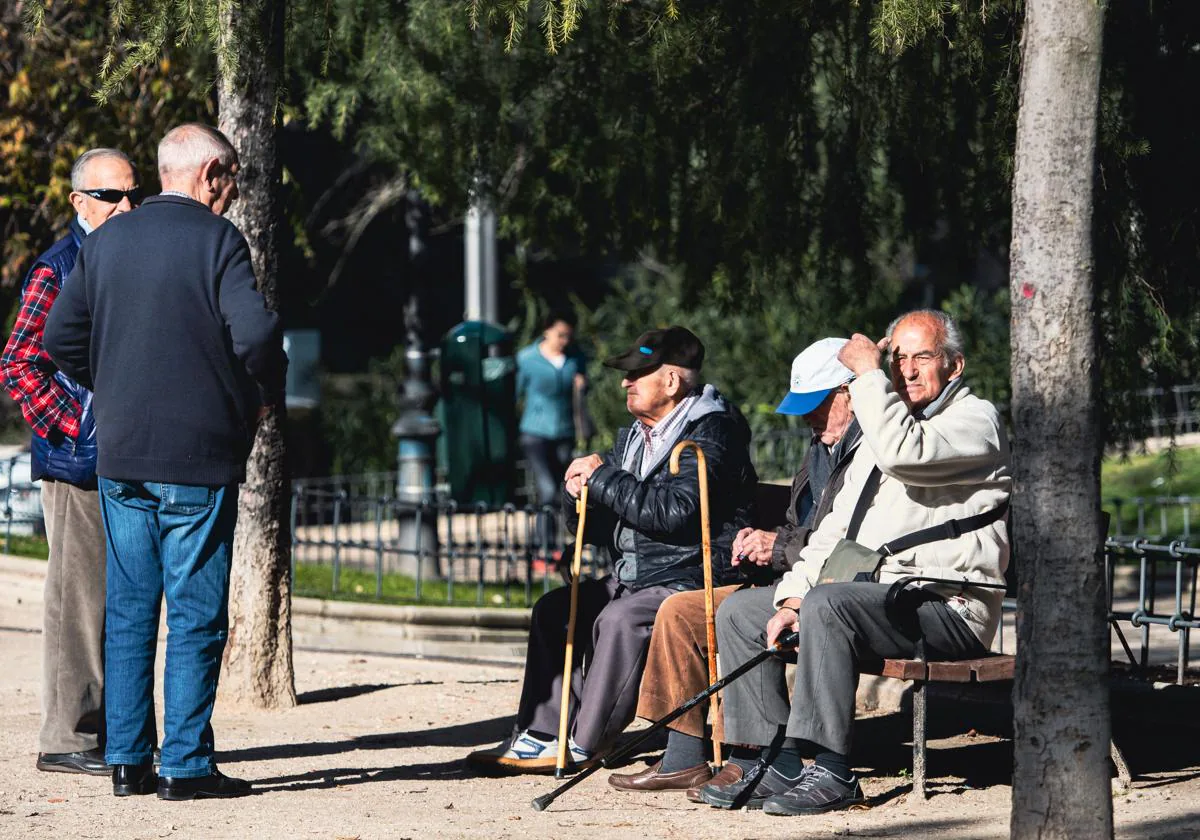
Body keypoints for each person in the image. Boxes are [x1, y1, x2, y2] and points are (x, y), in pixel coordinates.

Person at [44, 124, 286, 801]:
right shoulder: (219, 242)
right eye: (232, 176)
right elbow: (259, 333)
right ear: (211, 172)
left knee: (127, 607)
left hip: (120, 456)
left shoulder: (108, 240)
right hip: (198, 455)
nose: (235, 190)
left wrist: (113, 379)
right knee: (195, 611)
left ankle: (126, 760)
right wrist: (259, 394)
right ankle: (185, 764)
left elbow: (60, 335)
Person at [698, 310, 1011, 816]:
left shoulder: (976, 421)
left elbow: (904, 455)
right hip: (879, 601)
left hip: (947, 607)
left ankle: (832, 770)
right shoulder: (888, 432)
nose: (906, 370)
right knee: (743, 612)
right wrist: (793, 596)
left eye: (923, 357)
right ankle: (771, 756)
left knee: (830, 602)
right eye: (899, 358)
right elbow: (832, 533)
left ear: (954, 366)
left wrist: (868, 373)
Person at [467, 325, 757, 773]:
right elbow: (604, 525)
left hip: (691, 574)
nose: (626, 382)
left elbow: (677, 511)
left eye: (637, 373)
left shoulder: (714, 433)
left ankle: (586, 741)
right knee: (555, 609)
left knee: (619, 619)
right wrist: (578, 491)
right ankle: (544, 733)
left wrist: (604, 478)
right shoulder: (635, 437)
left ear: (671, 381)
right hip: (638, 574)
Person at [608, 337, 863, 796]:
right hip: (794, 577)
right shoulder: (820, 448)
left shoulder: (866, 449)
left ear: (849, 393)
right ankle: (685, 756)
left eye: (818, 406)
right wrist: (770, 542)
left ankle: (760, 755)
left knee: (712, 610)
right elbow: (798, 523)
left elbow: (850, 541)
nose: (809, 418)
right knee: (683, 612)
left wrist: (779, 547)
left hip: (836, 585)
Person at [1, 148, 141, 777]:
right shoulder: (60, 266)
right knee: (79, 602)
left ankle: (114, 734)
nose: (127, 206)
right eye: (112, 196)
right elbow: (18, 362)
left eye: (132, 193)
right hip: (76, 463)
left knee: (113, 600)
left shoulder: (128, 253)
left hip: (121, 455)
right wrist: (81, 428)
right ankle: (69, 739)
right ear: (80, 202)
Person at [516, 311, 588, 559]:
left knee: (562, 490)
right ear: (546, 331)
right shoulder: (526, 358)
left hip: (564, 430)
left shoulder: (575, 358)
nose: (564, 340)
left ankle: (556, 544)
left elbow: (583, 390)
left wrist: (582, 385)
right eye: (560, 335)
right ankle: (541, 547)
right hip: (535, 432)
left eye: (568, 336)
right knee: (546, 490)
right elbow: (515, 393)